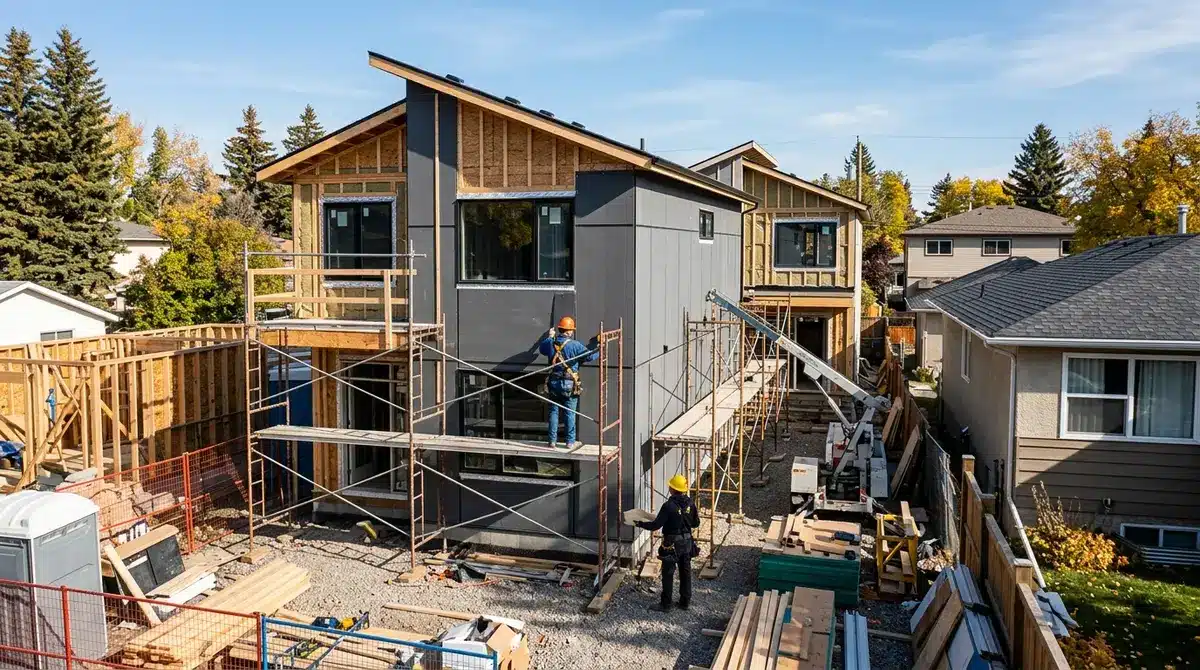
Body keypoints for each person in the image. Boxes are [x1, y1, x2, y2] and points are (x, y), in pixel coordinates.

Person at [636, 474, 701, 611]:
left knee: (668, 573)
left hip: (671, 544)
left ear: (673, 489)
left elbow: (655, 525)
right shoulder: (690, 503)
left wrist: (639, 523)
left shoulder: (668, 506)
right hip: (687, 543)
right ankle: (685, 602)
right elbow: (696, 523)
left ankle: (666, 604)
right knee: (685, 572)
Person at [539, 316, 598, 449]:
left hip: (554, 383)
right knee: (569, 413)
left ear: (560, 329)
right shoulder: (575, 345)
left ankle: (552, 441)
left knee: (553, 412)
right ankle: (569, 442)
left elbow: (542, 349)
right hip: (569, 384)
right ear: (570, 331)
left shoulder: (551, 343)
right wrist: (599, 349)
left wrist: (550, 337)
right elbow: (589, 356)